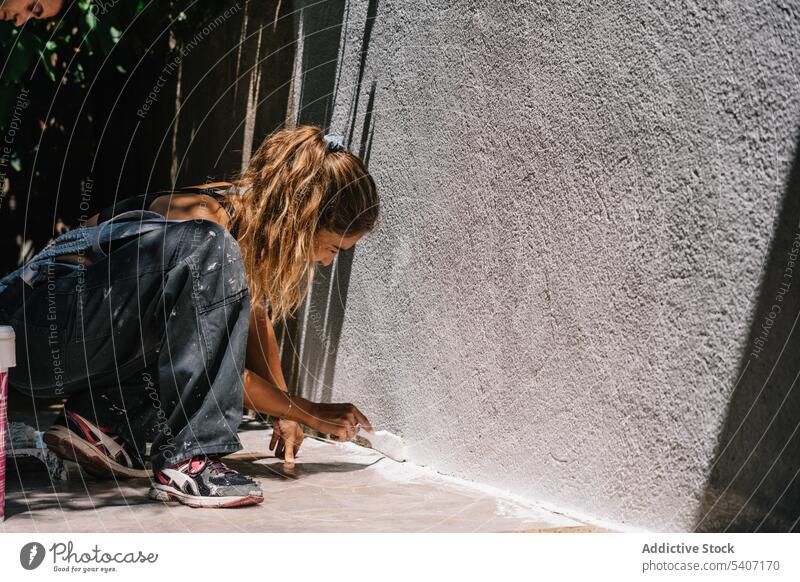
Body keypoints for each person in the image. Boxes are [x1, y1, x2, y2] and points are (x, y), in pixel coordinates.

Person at [0, 125, 379, 508]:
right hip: (32, 323)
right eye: (332, 247)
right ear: (302, 221)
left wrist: (286, 414)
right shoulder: (209, 228)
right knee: (207, 265)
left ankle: (103, 421)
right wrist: (306, 410)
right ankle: (190, 460)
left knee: (191, 311)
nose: (329, 260)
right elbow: (214, 367)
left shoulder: (239, 221)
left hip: (56, 333)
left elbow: (253, 320)